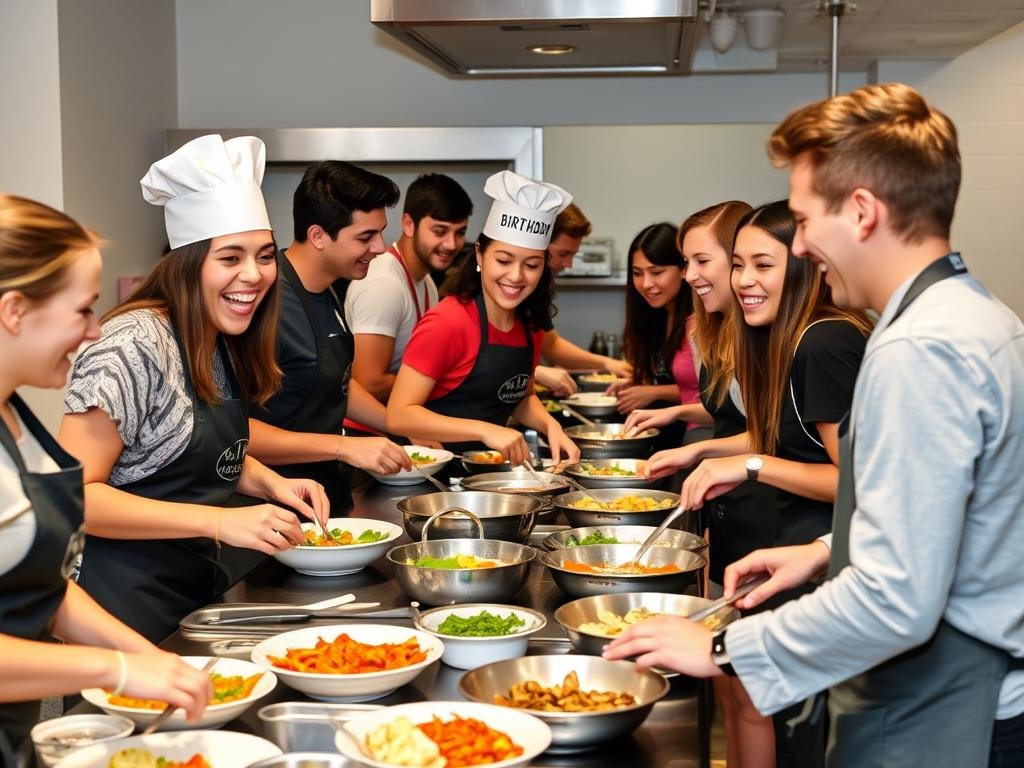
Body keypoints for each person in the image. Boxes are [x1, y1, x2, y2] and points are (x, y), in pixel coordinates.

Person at [606, 82, 1024, 768]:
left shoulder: (920, 350)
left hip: (948, 710)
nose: (800, 245)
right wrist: (831, 548)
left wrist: (718, 645)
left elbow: (896, 602)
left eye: (802, 220)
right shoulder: (970, 316)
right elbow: (946, 517)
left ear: (861, 212)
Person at [59, 135, 328, 643]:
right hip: (121, 602)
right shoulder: (132, 346)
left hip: (193, 586)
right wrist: (220, 522)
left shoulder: (217, 335)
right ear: (188, 263)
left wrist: (272, 483)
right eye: (230, 258)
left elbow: (187, 448)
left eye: (265, 256)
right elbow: (76, 499)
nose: (253, 275)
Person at [640, 201, 872, 767]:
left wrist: (748, 466)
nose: (743, 280)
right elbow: (780, 437)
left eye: (761, 265)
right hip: (800, 545)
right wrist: (714, 454)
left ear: (803, 264)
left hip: (820, 554)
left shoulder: (823, 342)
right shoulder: (788, 338)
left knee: (796, 735)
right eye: (738, 264)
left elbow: (857, 484)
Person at [0, 195, 210, 764]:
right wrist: (114, 667)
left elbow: (36, 582)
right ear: (15, 311)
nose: (96, 332)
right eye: (83, 310)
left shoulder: (14, 414)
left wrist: (148, 657)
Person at [625, 200, 778, 768]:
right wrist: (690, 438)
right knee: (735, 692)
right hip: (733, 515)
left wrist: (704, 449)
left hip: (772, 524)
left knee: (751, 695)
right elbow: (747, 428)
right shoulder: (716, 327)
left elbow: (774, 441)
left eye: (700, 260)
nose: (691, 275)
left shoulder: (783, 335)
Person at [246, 160, 411, 512]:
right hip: (274, 502)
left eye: (380, 233)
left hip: (327, 491)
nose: (381, 248)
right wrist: (344, 446)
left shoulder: (330, 288)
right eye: (366, 236)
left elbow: (336, 380)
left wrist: (398, 427)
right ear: (318, 235)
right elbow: (238, 433)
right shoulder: (265, 304)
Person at [386, 170, 580, 467]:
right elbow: (399, 414)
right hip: (432, 478)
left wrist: (550, 426)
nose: (516, 276)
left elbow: (519, 395)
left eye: (531, 265)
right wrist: (484, 429)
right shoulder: (448, 322)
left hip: (487, 476)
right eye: (504, 260)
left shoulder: (529, 325)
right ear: (479, 255)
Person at [344, 174, 472, 407]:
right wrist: (445, 383)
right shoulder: (385, 284)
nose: (452, 244)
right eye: (439, 231)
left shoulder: (426, 282)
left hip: (399, 421)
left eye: (460, 232)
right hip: (369, 433)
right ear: (408, 224)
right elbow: (367, 382)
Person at [609, 222, 703, 451]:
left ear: (683, 270)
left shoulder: (699, 321)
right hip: (666, 438)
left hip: (696, 438)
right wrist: (641, 382)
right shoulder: (655, 316)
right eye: (637, 273)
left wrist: (653, 392)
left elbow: (709, 395)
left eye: (657, 272)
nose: (646, 284)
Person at [534, 202, 631, 396]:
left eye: (573, 255)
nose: (568, 264)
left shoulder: (538, 289)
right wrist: (536, 372)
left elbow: (550, 344)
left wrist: (607, 363)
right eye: (563, 254)